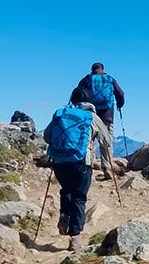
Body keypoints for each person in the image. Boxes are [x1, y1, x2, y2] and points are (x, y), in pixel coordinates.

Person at [41, 102, 112, 251]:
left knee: (66, 189)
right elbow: (106, 140)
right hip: (81, 161)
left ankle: (64, 215)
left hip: (59, 161)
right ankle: (75, 237)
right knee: (79, 197)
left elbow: (47, 136)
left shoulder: (62, 115)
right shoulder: (92, 117)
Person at [70, 62, 125, 180]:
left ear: (92, 70)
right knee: (106, 141)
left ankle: (87, 168)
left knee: (89, 140)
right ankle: (107, 168)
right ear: (103, 69)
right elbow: (120, 93)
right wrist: (120, 105)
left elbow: (77, 93)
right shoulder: (110, 79)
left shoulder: (87, 79)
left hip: (90, 114)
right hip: (107, 115)